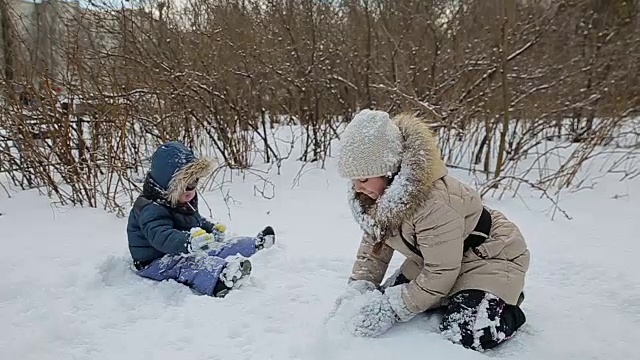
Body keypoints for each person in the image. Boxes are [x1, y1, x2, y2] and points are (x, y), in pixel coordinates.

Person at [331, 109, 530, 351]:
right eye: (352, 181)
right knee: (378, 300)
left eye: (363, 178)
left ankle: (505, 307)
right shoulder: (377, 198)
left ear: (390, 169)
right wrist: (359, 288)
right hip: (435, 257)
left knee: (467, 332)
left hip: (489, 256)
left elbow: (441, 272)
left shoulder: (434, 202)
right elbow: (374, 251)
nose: (357, 188)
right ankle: (453, 297)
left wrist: (394, 308)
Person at [126, 141, 275, 298]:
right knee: (190, 264)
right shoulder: (149, 208)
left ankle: (256, 245)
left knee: (215, 248)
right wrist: (187, 242)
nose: (192, 191)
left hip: (181, 249)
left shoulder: (181, 199)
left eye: (194, 182)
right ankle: (220, 279)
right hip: (155, 261)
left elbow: (194, 220)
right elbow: (161, 236)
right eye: (186, 186)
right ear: (168, 187)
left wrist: (210, 229)